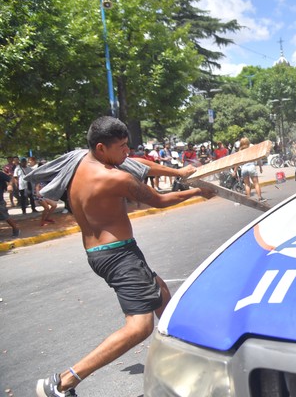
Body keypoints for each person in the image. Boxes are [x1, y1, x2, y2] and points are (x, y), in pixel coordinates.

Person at [32, 116, 214, 396]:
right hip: (119, 256)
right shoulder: (112, 177)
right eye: (122, 147)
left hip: (100, 253)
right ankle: (62, 382)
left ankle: (185, 357)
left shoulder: (81, 160)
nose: (127, 151)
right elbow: (160, 200)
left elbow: (140, 164)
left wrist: (178, 173)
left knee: (161, 293)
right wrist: (199, 191)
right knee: (139, 326)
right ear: (102, 147)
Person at [236, 137, 266, 203]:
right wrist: (260, 167)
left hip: (244, 168)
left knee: (247, 185)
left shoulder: (240, 151)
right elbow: (258, 158)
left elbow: (237, 162)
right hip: (251, 167)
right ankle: (259, 197)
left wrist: (235, 171)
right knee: (256, 183)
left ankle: (249, 198)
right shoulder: (252, 149)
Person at [0, 169, 20, 237]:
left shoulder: (1, 174)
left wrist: (10, 185)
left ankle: (16, 228)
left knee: (6, 216)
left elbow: (10, 178)